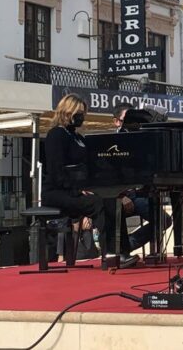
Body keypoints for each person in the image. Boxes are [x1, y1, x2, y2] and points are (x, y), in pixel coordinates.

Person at [43, 93, 138, 269]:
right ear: (68, 112)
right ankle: (109, 255)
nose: (82, 117)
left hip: (78, 188)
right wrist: (78, 191)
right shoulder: (56, 135)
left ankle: (122, 252)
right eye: (79, 113)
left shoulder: (78, 137)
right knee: (99, 203)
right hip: (58, 191)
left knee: (113, 201)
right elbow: (57, 171)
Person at [113, 102, 172, 254]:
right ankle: (122, 247)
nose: (130, 124)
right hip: (120, 196)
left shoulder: (139, 141)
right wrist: (121, 195)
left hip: (138, 195)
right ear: (116, 121)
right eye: (125, 120)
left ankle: (130, 243)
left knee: (164, 220)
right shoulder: (112, 142)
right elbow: (108, 176)